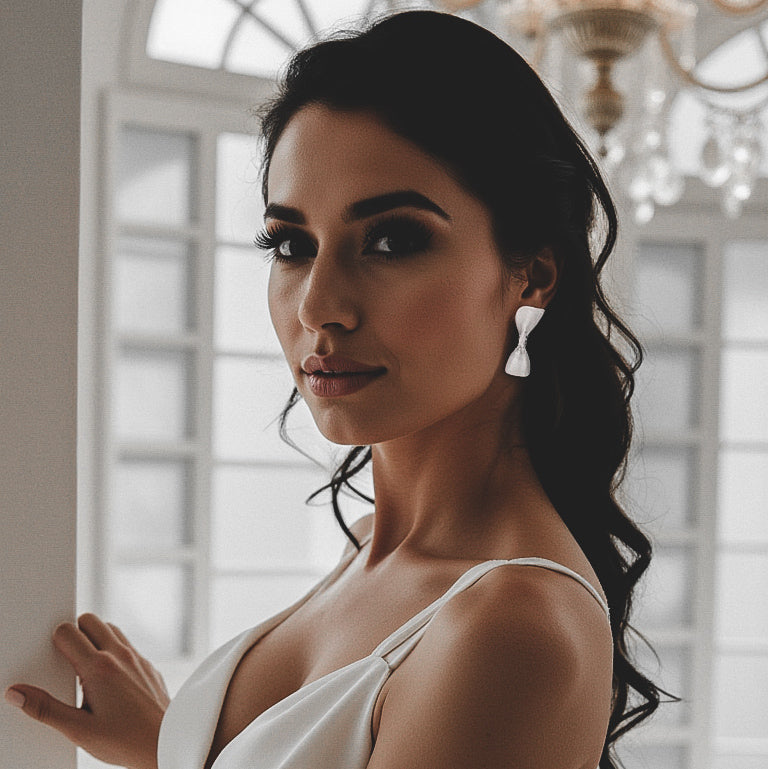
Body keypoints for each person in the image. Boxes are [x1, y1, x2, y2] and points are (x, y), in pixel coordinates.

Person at [5, 9, 675, 769]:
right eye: (291, 244)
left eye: (392, 239)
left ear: (531, 274)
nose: (318, 306)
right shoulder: (376, 549)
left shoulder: (513, 625)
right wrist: (170, 747)